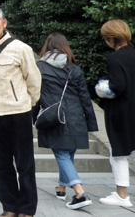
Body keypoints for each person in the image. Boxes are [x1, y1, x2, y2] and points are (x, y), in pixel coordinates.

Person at [0, 5, 41, 217]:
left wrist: (25, 105)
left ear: (4, 23)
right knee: (0, 164)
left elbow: (34, 81)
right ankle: (9, 207)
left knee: (24, 163)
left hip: (18, 113)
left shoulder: (21, 49)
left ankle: (27, 208)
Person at [35, 33, 98, 211]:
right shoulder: (75, 69)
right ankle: (62, 188)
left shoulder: (41, 68)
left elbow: (36, 96)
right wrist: (91, 124)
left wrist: (33, 118)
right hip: (76, 116)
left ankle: (80, 193)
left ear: (47, 47)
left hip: (56, 117)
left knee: (62, 154)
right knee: (68, 154)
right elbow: (85, 98)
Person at [97, 19, 135, 208]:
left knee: (118, 154)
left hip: (122, 113)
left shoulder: (114, 59)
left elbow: (118, 86)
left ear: (110, 38)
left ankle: (122, 195)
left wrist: (102, 88)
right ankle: (121, 195)